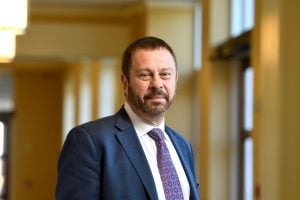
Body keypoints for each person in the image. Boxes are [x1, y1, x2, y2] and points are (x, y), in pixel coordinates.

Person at [56, 36, 200, 200]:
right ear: (125, 83)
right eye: (145, 75)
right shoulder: (89, 141)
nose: (157, 84)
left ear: (175, 80)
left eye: (165, 74)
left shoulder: (183, 146)